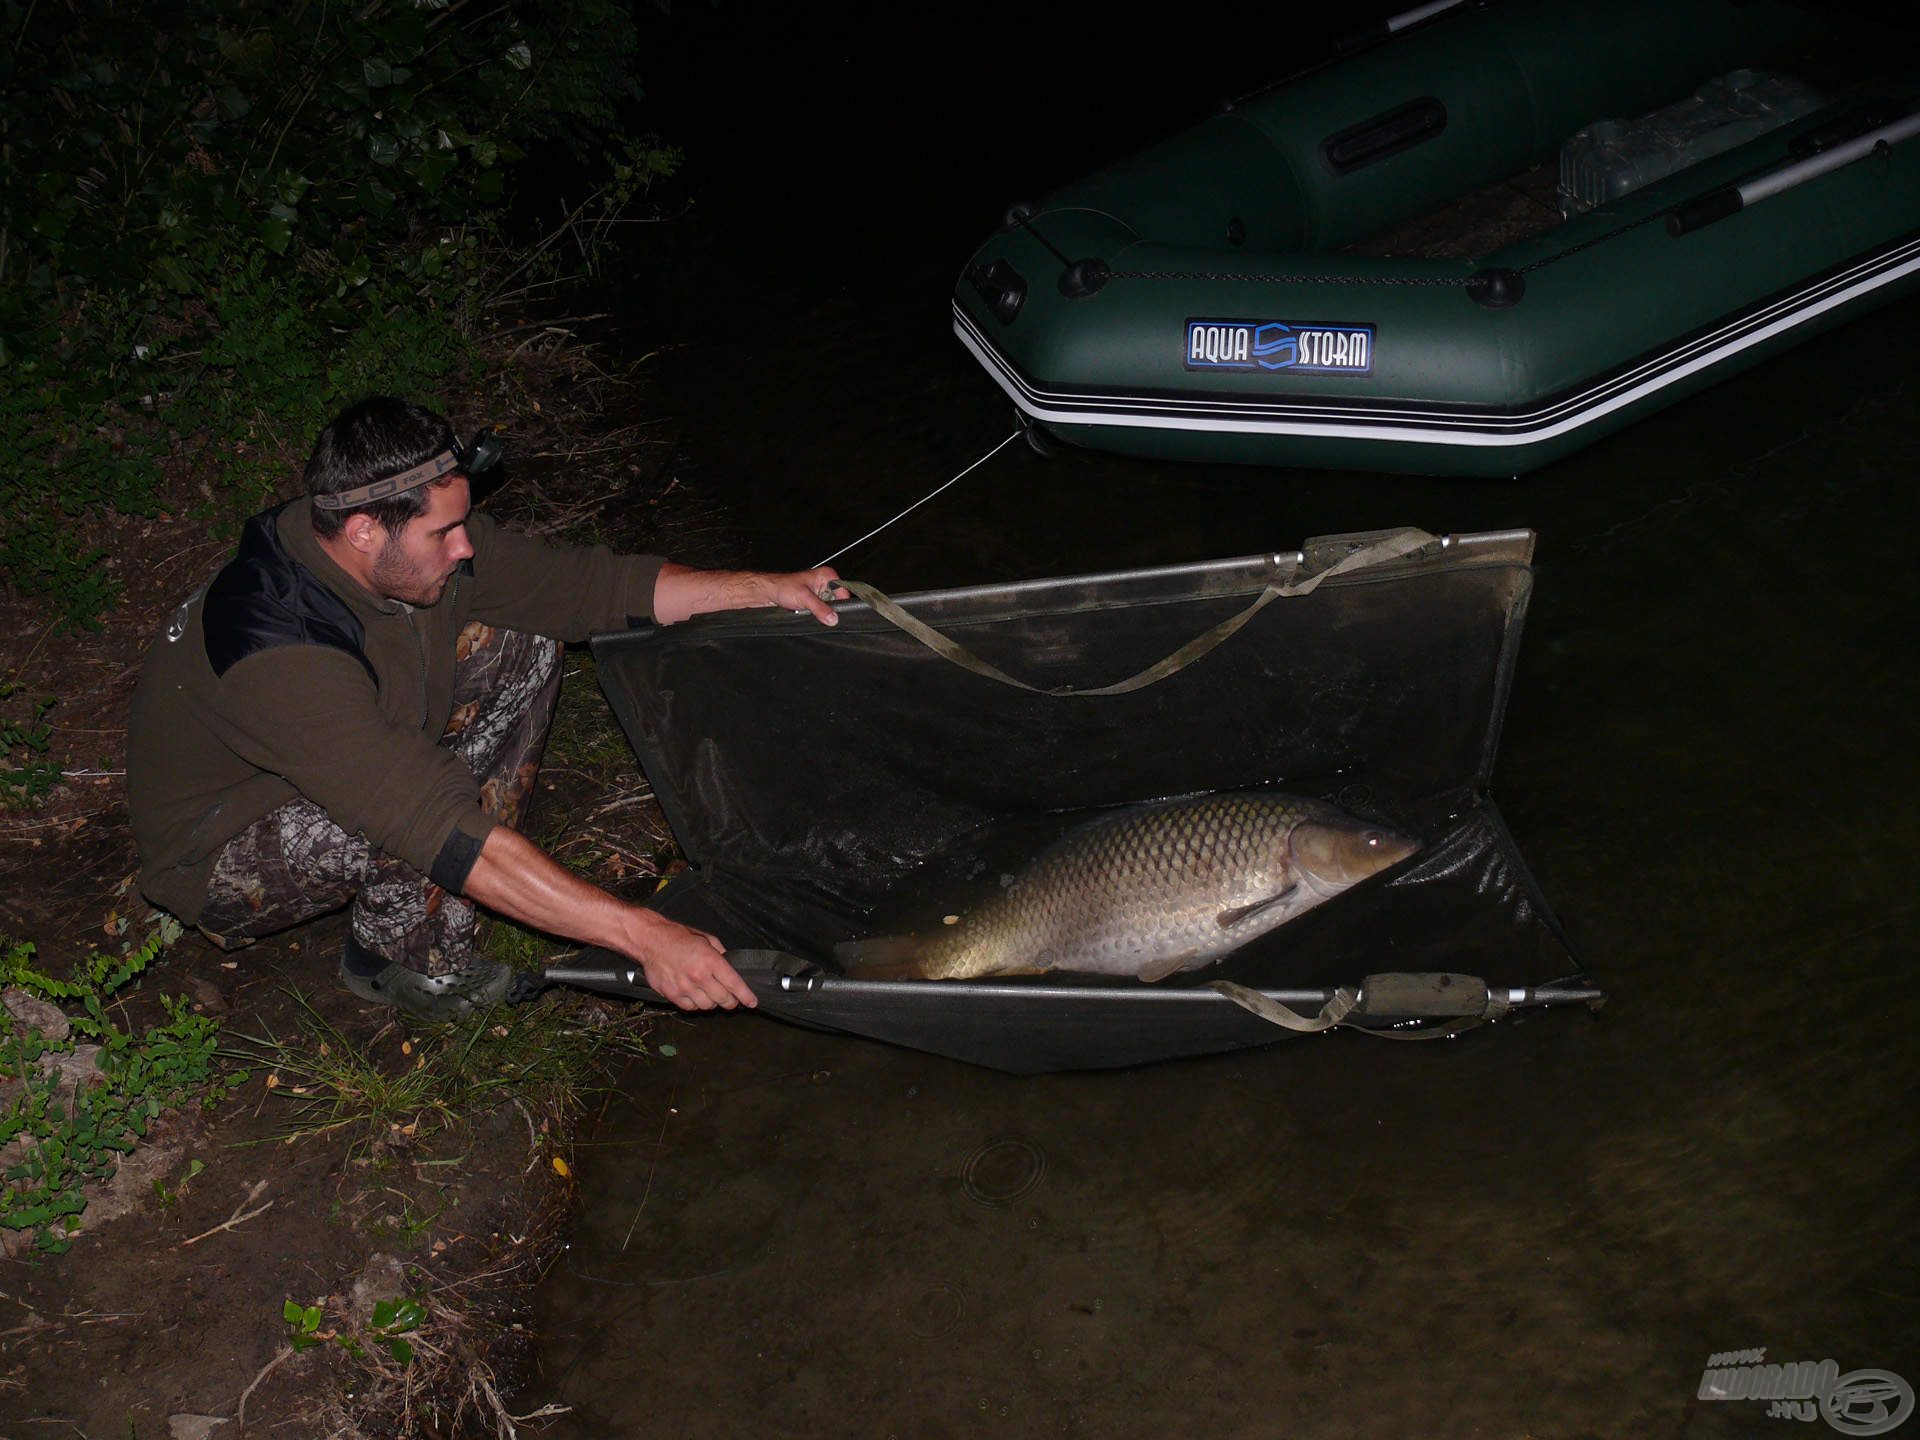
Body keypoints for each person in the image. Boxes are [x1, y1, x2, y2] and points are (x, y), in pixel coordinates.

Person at [127, 395, 845, 1021]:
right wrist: (646, 936)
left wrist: (762, 588)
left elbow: (584, 586)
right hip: (222, 843)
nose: (466, 545)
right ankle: (395, 961)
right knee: (416, 823)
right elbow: (431, 822)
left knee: (525, 639)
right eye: (444, 533)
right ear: (365, 531)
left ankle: (458, 886)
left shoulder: (377, 535)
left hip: (343, 748)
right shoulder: (277, 648)